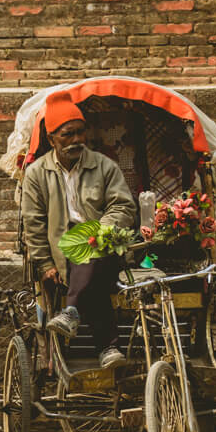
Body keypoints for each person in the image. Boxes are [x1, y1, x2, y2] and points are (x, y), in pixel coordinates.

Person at [21, 93, 136, 369]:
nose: (76, 140)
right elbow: (33, 223)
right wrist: (46, 264)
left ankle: (71, 310)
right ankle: (108, 347)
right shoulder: (37, 174)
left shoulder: (103, 166)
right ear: (51, 139)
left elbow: (123, 207)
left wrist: (100, 231)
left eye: (80, 132)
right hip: (62, 256)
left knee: (89, 246)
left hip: (105, 248)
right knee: (88, 269)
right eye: (67, 134)